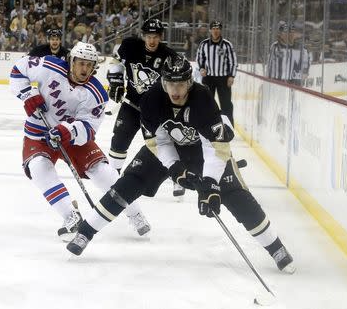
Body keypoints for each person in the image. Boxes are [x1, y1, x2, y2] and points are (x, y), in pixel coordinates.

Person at [67, 56, 295, 274]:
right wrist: (174, 167)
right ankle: (85, 232)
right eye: (170, 84)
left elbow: (216, 146)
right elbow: (158, 141)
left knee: (234, 194)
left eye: (181, 85)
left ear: (190, 82)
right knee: (127, 184)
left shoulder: (203, 99)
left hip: (203, 151)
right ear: (163, 82)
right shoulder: (151, 99)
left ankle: (276, 247)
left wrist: (210, 183)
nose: (175, 91)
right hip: (168, 147)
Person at [9, 42, 151, 241]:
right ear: (72, 61)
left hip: (72, 137)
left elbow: (89, 128)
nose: (85, 69)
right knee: (38, 168)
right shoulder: (48, 66)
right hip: (39, 131)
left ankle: (134, 212)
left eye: (89, 65)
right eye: (81, 63)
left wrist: (67, 130)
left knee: (103, 173)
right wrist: (27, 94)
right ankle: (70, 216)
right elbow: (18, 69)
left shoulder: (97, 93)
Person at [105, 18, 184, 197]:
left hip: (156, 111)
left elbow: (180, 83)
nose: (152, 40)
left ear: (161, 37)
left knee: (163, 145)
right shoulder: (130, 46)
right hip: (131, 104)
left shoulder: (171, 57)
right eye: (149, 36)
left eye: (155, 36)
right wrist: (116, 82)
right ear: (143, 36)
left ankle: (177, 177)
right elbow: (115, 64)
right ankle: (111, 178)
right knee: (119, 140)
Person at [196, 20, 237, 125]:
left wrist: (231, 76)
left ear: (221, 30)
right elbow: (200, 58)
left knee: (226, 104)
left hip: (223, 79)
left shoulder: (227, 45)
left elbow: (233, 61)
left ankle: (228, 128)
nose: (215, 31)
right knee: (207, 103)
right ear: (210, 30)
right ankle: (206, 126)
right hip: (208, 78)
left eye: (218, 28)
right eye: (213, 28)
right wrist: (201, 68)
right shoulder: (204, 44)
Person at [267, 21, 310, 86]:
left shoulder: (302, 49)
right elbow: (270, 67)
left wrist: (303, 74)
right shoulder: (275, 47)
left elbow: (305, 67)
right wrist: (268, 81)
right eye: (284, 32)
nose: (289, 35)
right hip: (277, 83)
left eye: (291, 32)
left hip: (295, 85)